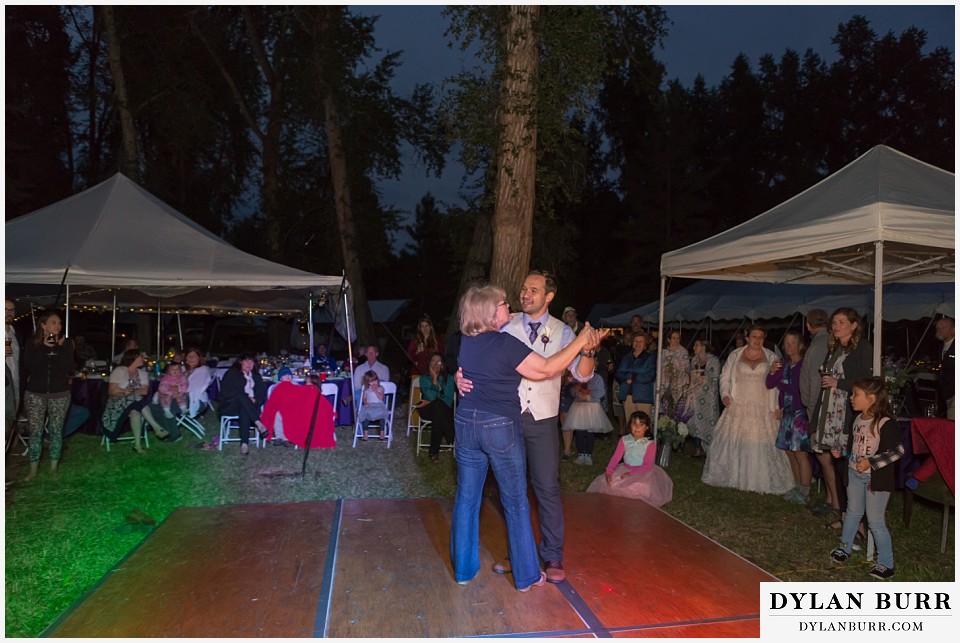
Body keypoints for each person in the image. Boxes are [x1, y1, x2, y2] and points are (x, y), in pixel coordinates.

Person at [451, 284, 600, 591]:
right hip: (498, 426)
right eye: (504, 304)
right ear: (491, 315)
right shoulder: (505, 343)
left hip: (466, 422)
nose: (511, 306)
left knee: (467, 500)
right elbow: (545, 369)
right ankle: (527, 575)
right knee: (517, 501)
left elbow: (473, 365)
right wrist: (582, 339)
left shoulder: (467, 340)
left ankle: (464, 571)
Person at [701, 325, 793, 495]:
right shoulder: (735, 355)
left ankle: (761, 479)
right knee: (736, 440)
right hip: (738, 404)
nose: (757, 340)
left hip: (763, 405)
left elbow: (779, 384)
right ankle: (733, 476)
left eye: (760, 337)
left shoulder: (772, 356)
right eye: (754, 337)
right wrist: (725, 395)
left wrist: (778, 406)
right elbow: (725, 377)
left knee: (762, 441)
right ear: (747, 337)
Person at [828, 377, 903, 580]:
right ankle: (844, 547)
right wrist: (842, 452)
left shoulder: (885, 424)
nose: (851, 398)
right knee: (853, 511)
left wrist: (871, 462)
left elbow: (897, 451)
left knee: (875, 520)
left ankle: (886, 563)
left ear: (871, 398)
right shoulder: (858, 419)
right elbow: (854, 447)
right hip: (854, 474)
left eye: (855, 394)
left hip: (875, 480)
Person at [809, 308, 873, 529]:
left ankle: (860, 523)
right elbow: (824, 387)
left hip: (848, 414)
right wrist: (814, 423)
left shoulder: (863, 347)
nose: (836, 326)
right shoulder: (834, 349)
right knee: (839, 467)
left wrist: (840, 384)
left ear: (854, 325)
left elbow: (867, 382)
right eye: (834, 322)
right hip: (830, 414)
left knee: (850, 469)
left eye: (842, 322)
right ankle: (846, 517)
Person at [21, 310, 75, 479]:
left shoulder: (66, 344)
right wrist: (45, 347)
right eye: (53, 322)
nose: (58, 326)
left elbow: (69, 368)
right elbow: (30, 366)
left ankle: (53, 468)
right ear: (43, 325)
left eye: (59, 323)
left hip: (60, 393)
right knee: (35, 432)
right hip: (35, 393)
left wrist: (58, 348)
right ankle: (33, 469)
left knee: (56, 431)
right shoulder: (32, 343)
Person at [586, 411, 673, 506]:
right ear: (629, 425)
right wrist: (609, 472)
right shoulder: (624, 440)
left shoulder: (649, 444)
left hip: (642, 472)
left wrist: (631, 474)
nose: (637, 427)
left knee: (638, 487)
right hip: (625, 469)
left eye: (641, 424)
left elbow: (648, 465)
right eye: (634, 424)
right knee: (610, 482)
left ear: (647, 427)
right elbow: (616, 457)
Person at [766, 330, 812, 505]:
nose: (789, 346)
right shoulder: (784, 365)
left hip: (799, 414)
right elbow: (769, 383)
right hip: (786, 414)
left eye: (793, 343)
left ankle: (805, 490)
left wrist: (780, 383)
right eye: (786, 343)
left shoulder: (803, 365)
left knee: (800, 454)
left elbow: (797, 389)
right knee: (789, 452)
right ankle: (797, 486)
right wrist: (771, 372)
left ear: (800, 345)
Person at [101, 349, 155, 454]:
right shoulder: (119, 370)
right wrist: (124, 392)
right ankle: (155, 426)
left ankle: (137, 445)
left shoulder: (142, 373)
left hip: (135, 403)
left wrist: (131, 392)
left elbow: (144, 391)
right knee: (136, 399)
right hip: (117, 403)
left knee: (135, 410)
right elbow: (111, 391)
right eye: (140, 357)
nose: (143, 359)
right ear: (133, 358)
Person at [219, 352, 268, 455]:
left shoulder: (256, 376)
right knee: (242, 398)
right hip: (230, 405)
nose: (249, 363)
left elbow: (262, 394)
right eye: (246, 361)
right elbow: (226, 392)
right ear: (240, 362)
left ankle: (244, 444)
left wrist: (256, 400)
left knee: (244, 409)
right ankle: (258, 423)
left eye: (251, 361)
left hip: (248, 408)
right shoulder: (232, 373)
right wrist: (247, 397)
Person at [561, 369, 613, 466]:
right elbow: (573, 392)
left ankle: (588, 455)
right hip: (579, 407)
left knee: (590, 431)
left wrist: (585, 392)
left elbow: (600, 393)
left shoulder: (597, 378)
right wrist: (577, 389)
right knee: (580, 431)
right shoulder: (577, 378)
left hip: (592, 408)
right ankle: (581, 454)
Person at [414, 352, 455, 462]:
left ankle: (434, 452)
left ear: (442, 365)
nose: (435, 364)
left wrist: (430, 400)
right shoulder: (424, 378)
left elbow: (448, 400)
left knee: (438, 410)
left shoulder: (449, 378)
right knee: (438, 406)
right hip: (427, 410)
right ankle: (451, 435)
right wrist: (434, 379)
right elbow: (431, 396)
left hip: (442, 409)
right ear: (429, 364)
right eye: (433, 361)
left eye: (438, 362)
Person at [685, 337, 720, 457]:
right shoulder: (694, 360)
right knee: (696, 421)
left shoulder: (714, 360)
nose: (694, 348)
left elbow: (716, 378)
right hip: (696, 396)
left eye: (696, 345)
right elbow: (691, 376)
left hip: (709, 397)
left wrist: (705, 378)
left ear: (703, 347)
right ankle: (697, 449)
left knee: (709, 422)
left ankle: (710, 449)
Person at [616, 331, 656, 418]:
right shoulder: (626, 357)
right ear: (632, 343)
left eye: (641, 341)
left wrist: (633, 376)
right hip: (628, 396)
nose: (638, 343)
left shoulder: (650, 358)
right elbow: (619, 373)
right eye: (636, 341)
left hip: (643, 396)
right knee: (630, 424)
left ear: (645, 344)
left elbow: (650, 376)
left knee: (643, 424)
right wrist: (627, 377)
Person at [357, 370, 389, 441]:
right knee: (365, 414)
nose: (374, 383)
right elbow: (364, 398)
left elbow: (381, 397)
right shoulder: (367, 390)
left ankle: (382, 432)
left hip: (379, 405)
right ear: (368, 383)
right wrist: (365, 402)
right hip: (370, 406)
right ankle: (365, 433)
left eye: (375, 380)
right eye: (372, 381)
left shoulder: (380, 388)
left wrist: (375, 390)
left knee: (382, 415)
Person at [661, 329, 689, 408]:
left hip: (678, 383)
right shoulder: (663, 352)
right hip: (664, 382)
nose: (676, 340)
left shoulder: (683, 351)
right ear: (668, 339)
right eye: (674, 338)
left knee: (676, 407)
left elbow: (685, 368)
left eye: (678, 338)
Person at [183, 346, 213, 418]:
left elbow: (190, 388)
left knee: (164, 403)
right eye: (189, 356)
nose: (191, 358)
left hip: (195, 400)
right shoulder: (183, 369)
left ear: (199, 359)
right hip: (183, 396)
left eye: (193, 356)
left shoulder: (202, 370)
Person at [5, 299, 22, 419]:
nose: (8, 312)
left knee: (11, 426)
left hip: (15, 388)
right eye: (5, 309)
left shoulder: (16, 335)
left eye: (11, 310)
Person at [935, 317, 954, 419]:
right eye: (938, 328)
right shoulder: (940, 347)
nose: (939, 330)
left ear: (953, 329)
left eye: (943, 327)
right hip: (946, 395)